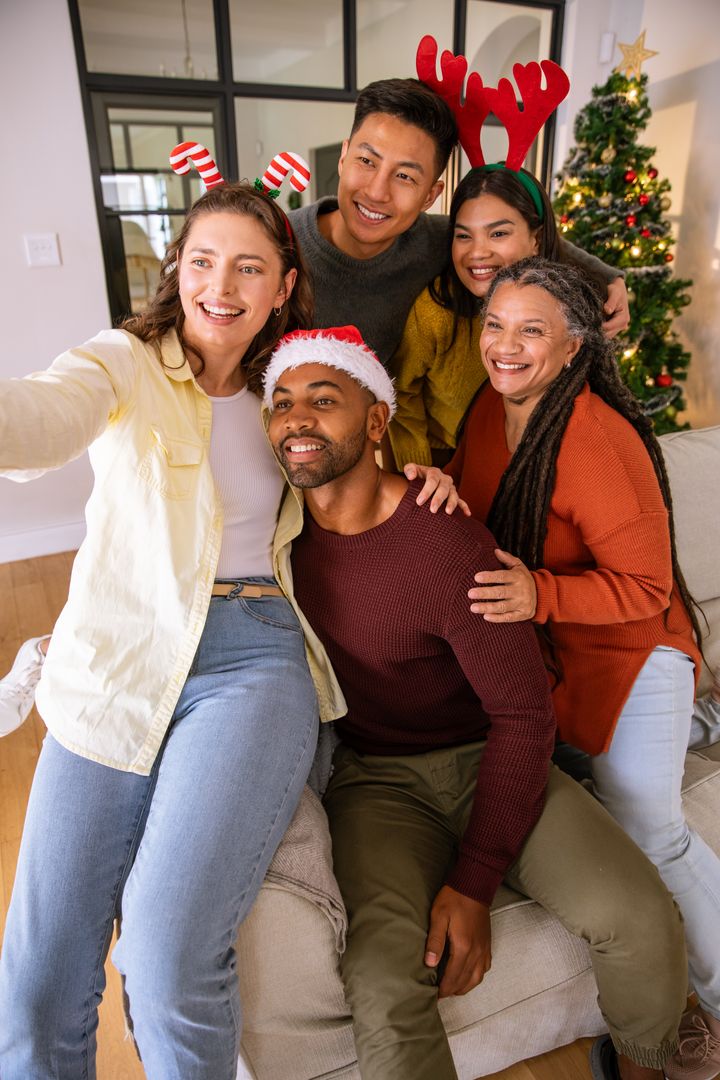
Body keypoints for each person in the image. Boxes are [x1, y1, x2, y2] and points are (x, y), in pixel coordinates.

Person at [263, 324, 687, 1080]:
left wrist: (474, 881)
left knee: (640, 918)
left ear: (375, 421)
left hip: (491, 754)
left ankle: (641, 1067)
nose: (296, 418)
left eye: (323, 400)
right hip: (377, 781)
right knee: (385, 982)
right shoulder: (270, 540)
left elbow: (524, 717)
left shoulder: (445, 541)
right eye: (282, 402)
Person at [449, 258, 720, 1080]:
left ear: (573, 347)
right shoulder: (488, 413)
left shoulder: (600, 440)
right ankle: (706, 723)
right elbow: (472, 506)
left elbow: (644, 590)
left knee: (648, 820)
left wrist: (536, 593)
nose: (506, 345)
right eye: (496, 325)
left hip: (636, 652)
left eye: (532, 330)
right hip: (556, 658)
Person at [288, 75, 630, 365]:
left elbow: (521, 237)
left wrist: (609, 278)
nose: (377, 192)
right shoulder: (277, 243)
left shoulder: (440, 241)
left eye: (405, 176)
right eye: (366, 160)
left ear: (430, 196)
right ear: (344, 156)